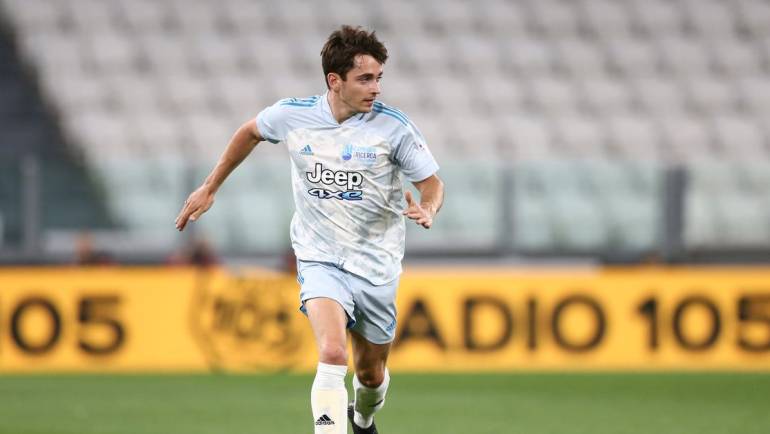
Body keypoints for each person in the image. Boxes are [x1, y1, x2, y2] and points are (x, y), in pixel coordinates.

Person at [175, 25, 444, 434]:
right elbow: (249, 132)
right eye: (365, 79)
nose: (376, 88)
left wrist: (427, 207)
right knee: (333, 352)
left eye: (379, 78)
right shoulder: (294, 115)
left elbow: (432, 183)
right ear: (334, 81)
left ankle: (363, 417)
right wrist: (210, 187)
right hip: (320, 256)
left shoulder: (394, 127)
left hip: (377, 264)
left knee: (370, 375)